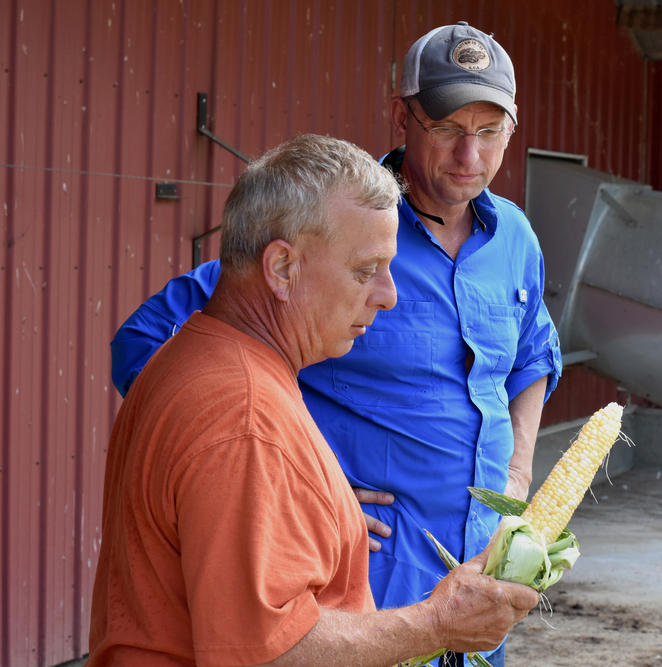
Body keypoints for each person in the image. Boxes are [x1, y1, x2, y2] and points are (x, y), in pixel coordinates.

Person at [109, 22, 561, 665]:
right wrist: (290, 476)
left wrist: (517, 471)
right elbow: (165, 337)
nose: (471, 157)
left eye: (489, 133)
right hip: (373, 588)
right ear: (402, 117)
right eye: (449, 130)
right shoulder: (336, 223)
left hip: (478, 581)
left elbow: (534, 355)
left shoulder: (515, 237)